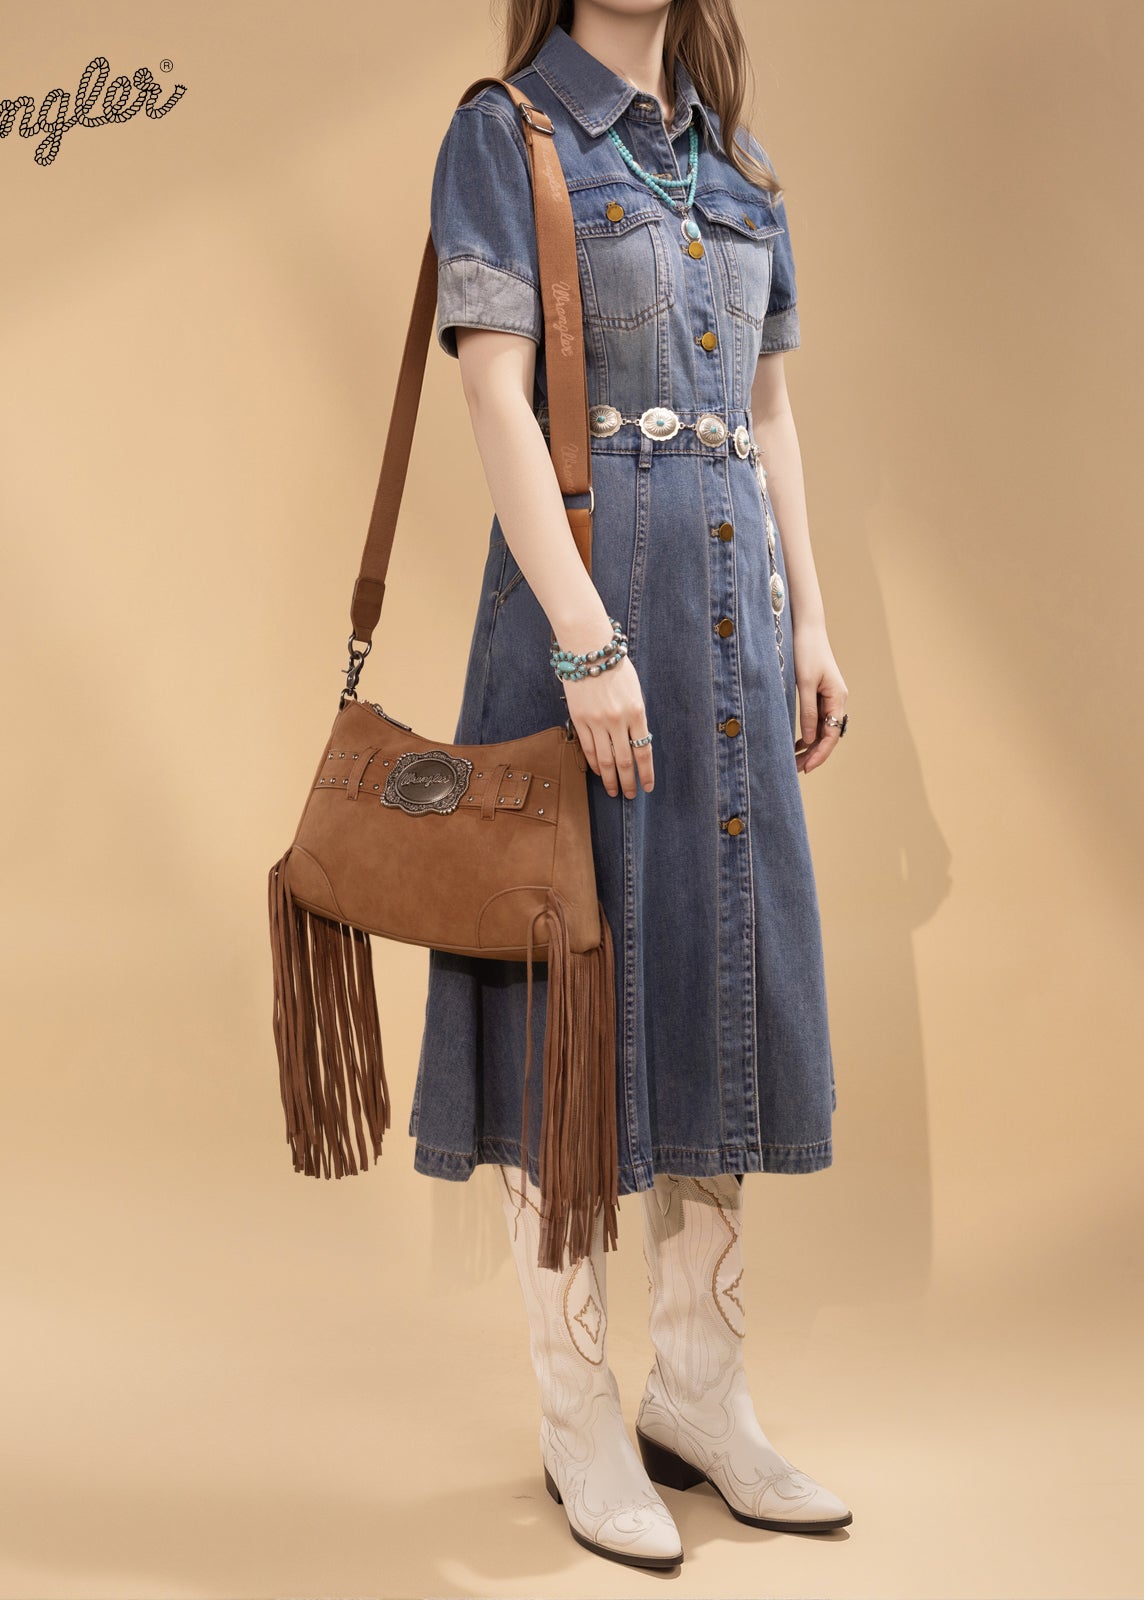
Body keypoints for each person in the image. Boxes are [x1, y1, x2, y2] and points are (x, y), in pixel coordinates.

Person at [410, 0, 851, 1567]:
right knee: (571, 1012)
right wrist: (586, 642)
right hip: (585, 634)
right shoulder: (508, 134)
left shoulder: (736, 168)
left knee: (719, 976)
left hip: (732, 641)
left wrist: (812, 623)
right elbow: (493, 395)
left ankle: (701, 1390)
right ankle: (576, 1409)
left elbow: (769, 413)